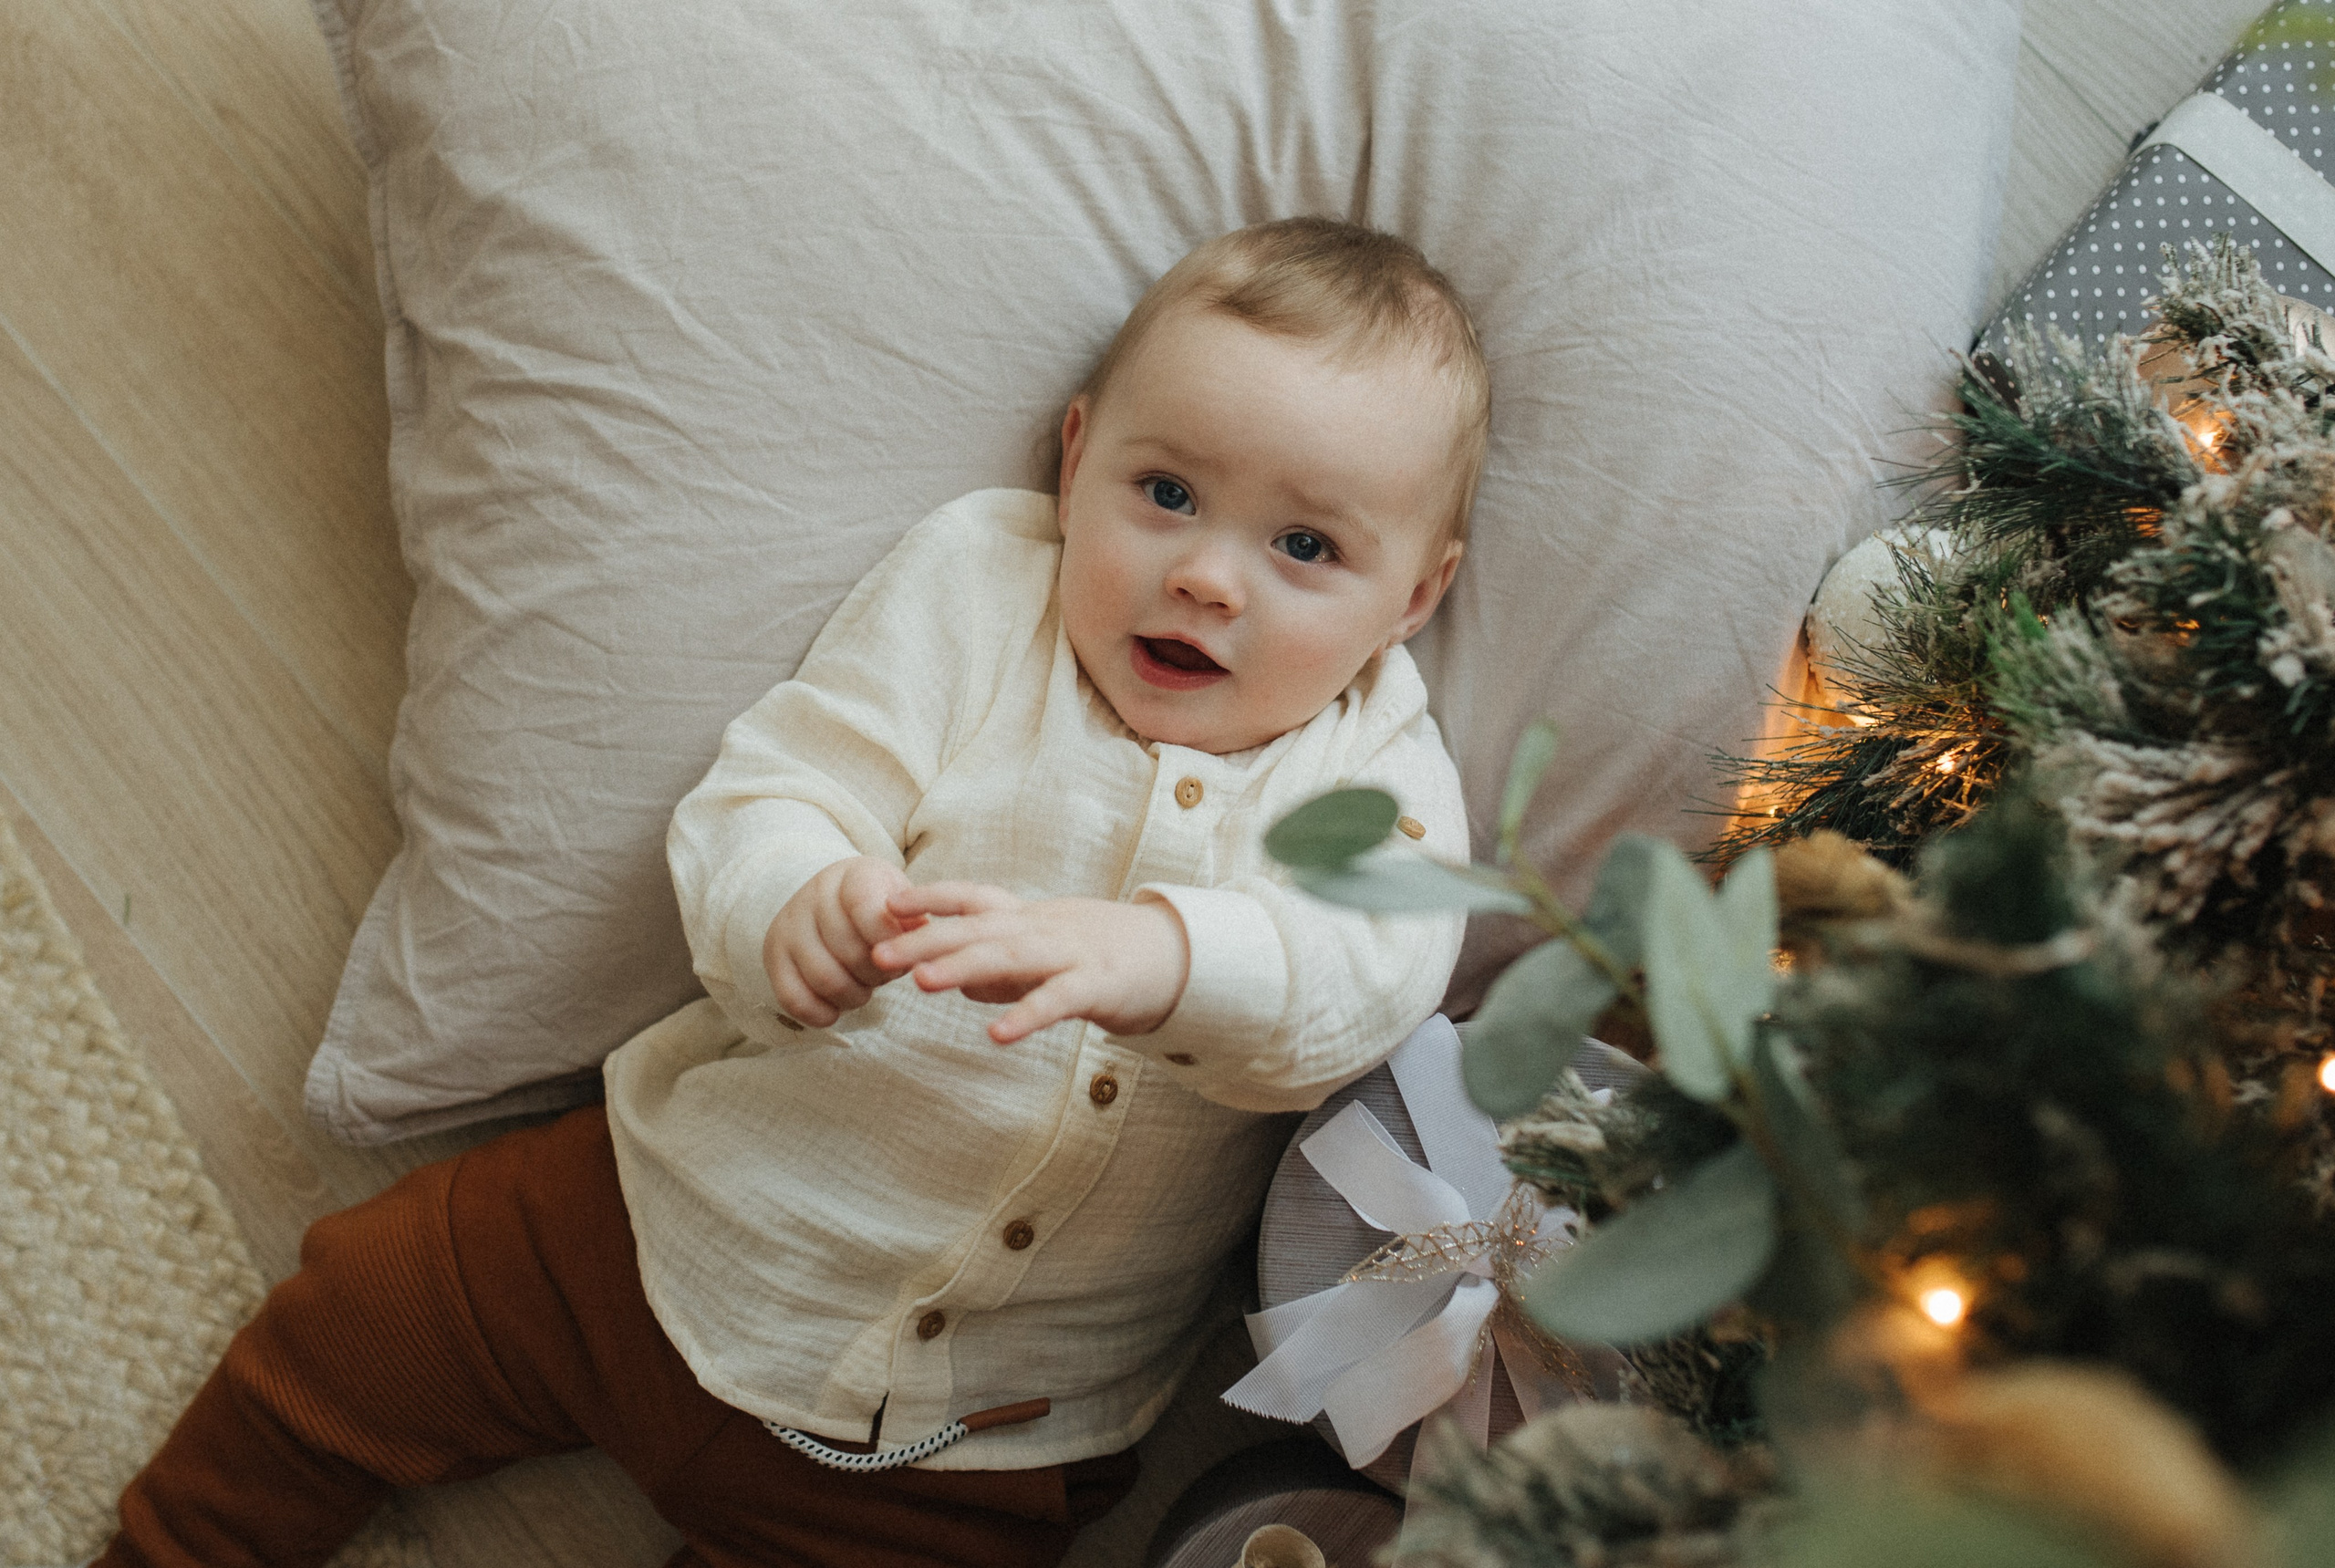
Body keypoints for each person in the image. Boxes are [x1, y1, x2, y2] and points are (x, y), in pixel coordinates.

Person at [92, 217, 1489, 1568]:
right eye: (1167, 493)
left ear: (1414, 595)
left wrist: (1168, 957)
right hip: (663, 1226)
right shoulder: (982, 592)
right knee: (355, 1326)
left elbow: (1371, 970)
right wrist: (796, 897)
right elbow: (777, 788)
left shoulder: (1373, 761)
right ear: (1077, 461)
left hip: (969, 1440)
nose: (1204, 576)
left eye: (1304, 550)